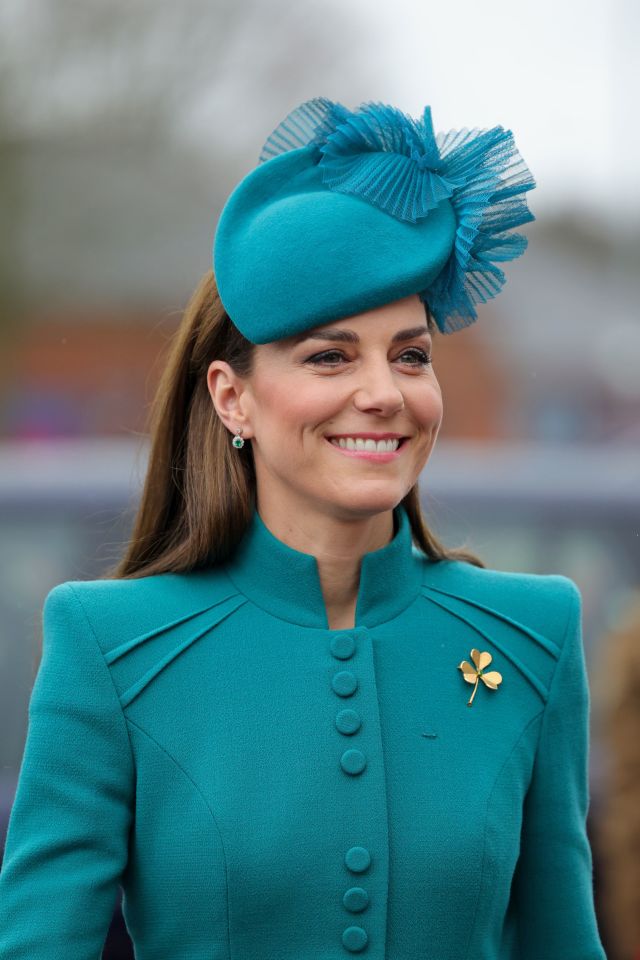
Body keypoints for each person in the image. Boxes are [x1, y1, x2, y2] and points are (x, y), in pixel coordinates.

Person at [0, 98, 607, 959]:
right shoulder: (108, 645)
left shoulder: (531, 635)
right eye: (329, 356)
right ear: (230, 396)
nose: (384, 393)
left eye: (410, 354)